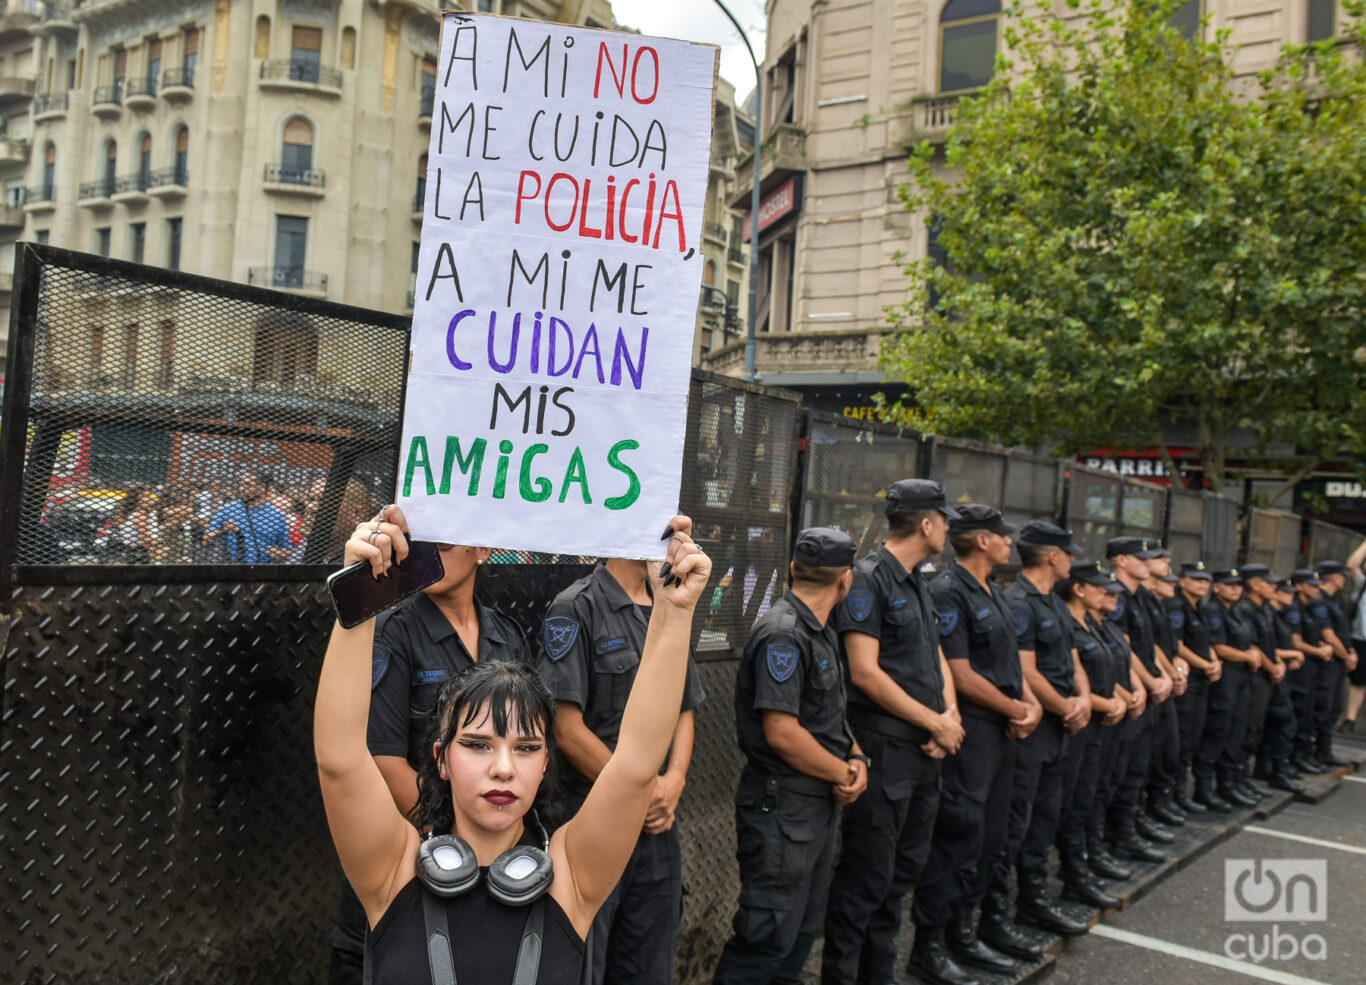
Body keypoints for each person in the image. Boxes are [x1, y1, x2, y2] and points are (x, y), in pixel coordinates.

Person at [314, 508, 708, 985]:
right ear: (440, 759)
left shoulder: (572, 878)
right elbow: (341, 761)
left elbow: (636, 764)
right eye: (478, 745)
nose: (503, 767)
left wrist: (674, 611)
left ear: (546, 763)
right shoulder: (391, 871)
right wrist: (360, 596)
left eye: (525, 748)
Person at [328, 542, 534, 985]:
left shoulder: (506, 636)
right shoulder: (393, 630)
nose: (430, 558)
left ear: (483, 550)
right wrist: (452, 838)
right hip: (408, 867)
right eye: (423, 545)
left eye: (444, 545)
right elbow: (380, 759)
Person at [535, 542, 707, 985]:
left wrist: (675, 781)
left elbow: (684, 708)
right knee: (583, 962)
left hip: (656, 825)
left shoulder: (671, 605)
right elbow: (565, 727)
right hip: (592, 817)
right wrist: (635, 790)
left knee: (650, 961)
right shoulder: (576, 606)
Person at [821, 480, 965, 985]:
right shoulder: (868, 578)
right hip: (886, 753)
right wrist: (933, 721)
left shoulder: (918, 580)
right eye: (944, 519)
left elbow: (936, 655)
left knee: (899, 879)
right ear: (927, 524)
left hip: (925, 751)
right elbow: (865, 672)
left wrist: (948, 715)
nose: (948, 528)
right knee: (866, 880)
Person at [713, 527, 868, 985]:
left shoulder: (818, 630)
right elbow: (781, 732)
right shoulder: (785, 633)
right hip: (783, 809)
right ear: (847, 580)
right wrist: (843, 770)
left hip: (812, 806)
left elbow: (826, 717)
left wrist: (856, 758)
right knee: (765, 939)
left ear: (793, 569)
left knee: (798, 934)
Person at [910, 505, 1043, 985]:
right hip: (974, 734)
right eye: (1002, 537)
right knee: (958, 836)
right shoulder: (948, 590)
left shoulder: (994, 591)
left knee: (991, 835)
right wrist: (1016, 710)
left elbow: (1009, 665)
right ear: (983, 541)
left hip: (1003, 732)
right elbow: (962, 674)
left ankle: (965, 934)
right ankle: (930, 946)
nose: (1010, 543)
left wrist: (1027, 705)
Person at [992, 520, 1094, 936]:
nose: (1073, 561)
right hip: (1036, 729)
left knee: (1045, 818)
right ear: (1053, 556)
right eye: (1069, 553)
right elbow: (1025, 670)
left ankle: (1034, 902)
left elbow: (1071, 659)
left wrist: (1082, 698)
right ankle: (997, 914)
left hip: (1059, 727)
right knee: (1015, 823)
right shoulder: (1020, 602)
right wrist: (1066, 706)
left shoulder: (1052, 602)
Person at [1054, 563, 1129, 908]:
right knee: (1070, 803)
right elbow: (1067, 674)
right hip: (1080, 724)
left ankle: (1081, 865)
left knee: (1090, 796)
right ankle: (1072, 874)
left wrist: (1115, 699)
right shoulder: (1067, 621)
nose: (1107, 593)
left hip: (1100, 722)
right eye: (1099, 587)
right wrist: (1101, 702)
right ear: (1079, 590)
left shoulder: (1093, 624)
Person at [1104, 537, 1173, 862]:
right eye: (1140, 558)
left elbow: (1150, 646)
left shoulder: (1140, 596)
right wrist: (1146, 684)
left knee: (1139, 766)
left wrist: (1162, 675)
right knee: (1120, 768)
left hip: (1146, 690)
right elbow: (1124, 647)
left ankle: (1128, 827)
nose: (1148, 563)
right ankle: (1116, 835)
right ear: (1121, 561)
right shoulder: (1115, 597)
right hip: (1129, 691)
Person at [1166, 562, 1226, 813]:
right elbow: (1177, 644)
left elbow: (1207, 641)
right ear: (1183, 582)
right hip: (1188, 679)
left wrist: (1214, 662)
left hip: (1202, 678)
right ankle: (1173, 795)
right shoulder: (1177, 606)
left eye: (1205, 580)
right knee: (1180, 738)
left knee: (1193, 737)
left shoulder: (1198, 608)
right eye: (1196, 579)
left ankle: (1181, 793)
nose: (1202, 584)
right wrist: (1205, 664)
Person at [1238, 565, 1302, 793]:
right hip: (1256, 677)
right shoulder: (1246, 609)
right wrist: (1273, 666)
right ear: (1254, 584)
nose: (1274, 587)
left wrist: (1277, 663)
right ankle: (1241, 778)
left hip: (1269, 676)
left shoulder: (1265, 610)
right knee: (1250, 727)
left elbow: (1269, 645)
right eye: (1268, 582)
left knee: (1265, 725)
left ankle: (1263, 772)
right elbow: (1252, 645)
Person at [1206, 569, 1265, 808]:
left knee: (1238, 729)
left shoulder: (1235, 611)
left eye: (1238, 585)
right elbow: (1218, 646)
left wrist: (1251, 653)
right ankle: (1208, 787)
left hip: (1241, 676)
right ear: (1217, 587)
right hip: (1227, 676)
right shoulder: (1214, 611)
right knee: (1219, 730)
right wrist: (1246, 656)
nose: (1235, 589)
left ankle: (1230, 782)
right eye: (1229, 585)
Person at [1138, 551, 1189, 830]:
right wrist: (1165, 675)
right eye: (1159, 558)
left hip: (1162, 681)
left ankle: (1155, 805)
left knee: (1167, 750)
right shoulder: (1136, 599)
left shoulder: (1152, 601)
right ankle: (1136, 818)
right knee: (1140, 761)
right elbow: (1138, 647)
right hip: (1151, 685)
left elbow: (1165, 645)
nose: (1166, 562)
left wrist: (1176, 668)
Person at [1287, 570, 1336, 775]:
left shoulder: (1312, 608)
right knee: (1298, 714)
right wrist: (1320, 650)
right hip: (1301, 669)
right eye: (1312, 585)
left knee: (1309, 713)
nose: (1317, 589)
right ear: (1299, 586)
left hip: (1314, 668)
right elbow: (1296, 642)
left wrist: (1324, 647)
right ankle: (1292, 759)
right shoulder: (1295, 609)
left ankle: (1302, 755)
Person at [1312, 561, 1356, 766]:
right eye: (1342, 576)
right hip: (1329, 663)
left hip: (1339, 660)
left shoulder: (1335, 600)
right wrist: (1347, 656)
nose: (1344, 580)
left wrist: (1350, 651)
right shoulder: (1320, 601)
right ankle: (1317, 752)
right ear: (1334, 577)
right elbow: (1328, 635)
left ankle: (1325, 751)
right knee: (1324, 706)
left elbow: (1342, 631)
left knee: (1335, 706)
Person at [203, 470, 292, 563]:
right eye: (241, 484)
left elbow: (286, 549)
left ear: (261, 487)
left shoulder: (277, 516)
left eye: (247, 485)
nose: (241, 488)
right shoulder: (229, 508)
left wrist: (279, 553)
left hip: (261, 571)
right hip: (230, 568)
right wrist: (223, 530)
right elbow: (205, 539)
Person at [1340, 542, 1366, 732]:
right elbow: (1352, 565)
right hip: (1361, 637)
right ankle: (1350, 718)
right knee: (1358, 680)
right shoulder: (1363, 583)